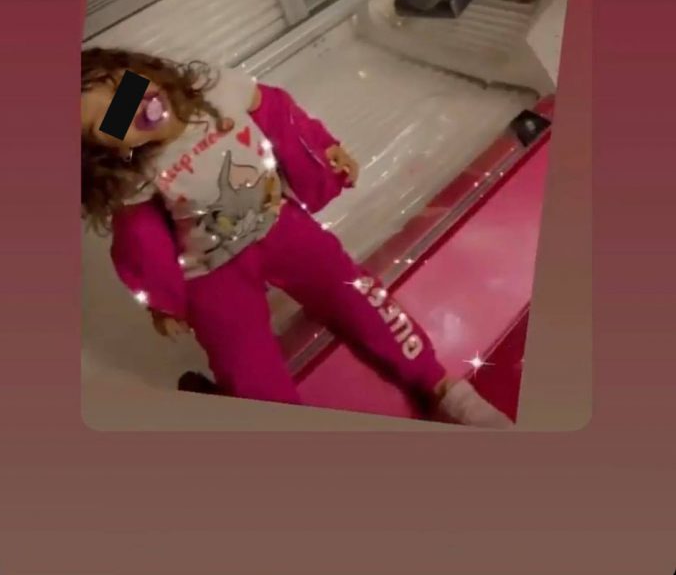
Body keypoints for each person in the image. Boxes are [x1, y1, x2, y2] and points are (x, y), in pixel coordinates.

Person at [81, 46, 511, 427]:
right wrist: (163, 299)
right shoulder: (137, 172)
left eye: (122, 85)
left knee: (356, 294)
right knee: (245, 365)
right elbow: (141, 239)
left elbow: (278, 114)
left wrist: (323, 150)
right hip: (211, 266)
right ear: (108, 150)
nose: (130, 106)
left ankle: (440, 386)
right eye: (110, 119)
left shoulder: (214, 90)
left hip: (279, 222)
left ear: (140, 68)